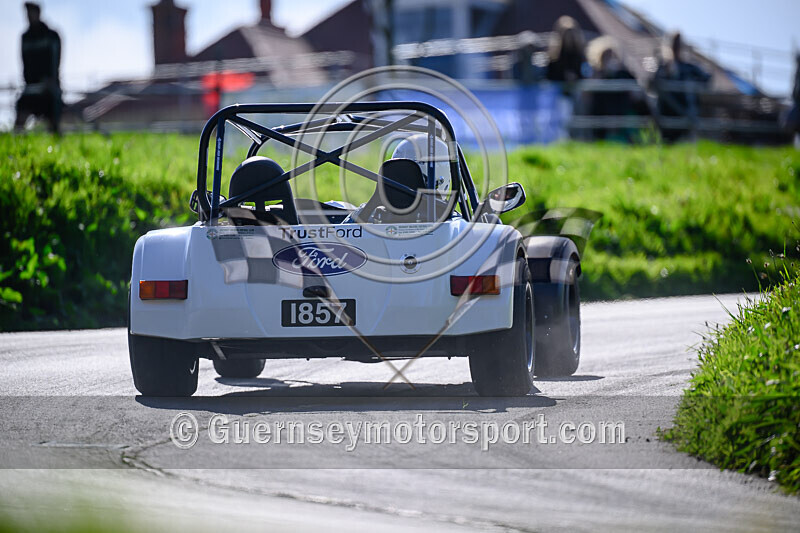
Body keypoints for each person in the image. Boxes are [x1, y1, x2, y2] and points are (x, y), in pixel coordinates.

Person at [652, 32, 711, 142]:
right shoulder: (663, 67)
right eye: (674, 44)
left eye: (678, 44)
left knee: (686, 144)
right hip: (667, 113)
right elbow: (653, 84)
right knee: (666, 141)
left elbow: (707, 78)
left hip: (686, 113)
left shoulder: (689, 67)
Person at [15, 2, 62, 134]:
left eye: (31, 13)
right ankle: (17, 140)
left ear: (38, 13)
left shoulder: (51, 35)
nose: (29, 16)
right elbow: (24, 63)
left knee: (53, 114)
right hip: (31, 88)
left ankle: (56, 138)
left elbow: (56, 61)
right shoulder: (25, 38)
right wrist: (29, 82)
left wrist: (51, 80)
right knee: (21, 107)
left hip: (49, 89)